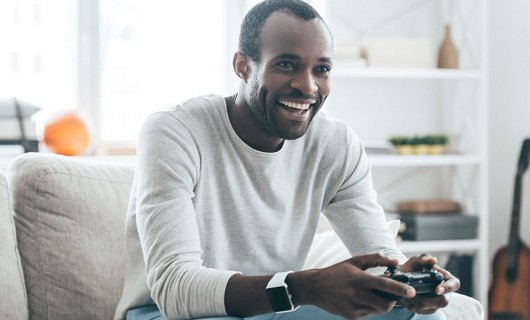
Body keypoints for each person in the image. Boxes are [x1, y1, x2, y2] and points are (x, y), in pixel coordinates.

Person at [114, 1, 464, 319]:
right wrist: (302, 287)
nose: (308, 86)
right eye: (286, 65)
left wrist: (406, 282)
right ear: (242, 66)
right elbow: (175, 289)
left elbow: (379, 258)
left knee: (419, 314)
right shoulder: (175, 132)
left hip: (278, 309)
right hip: (165, 314)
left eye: (322, 69)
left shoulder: (335, 144)